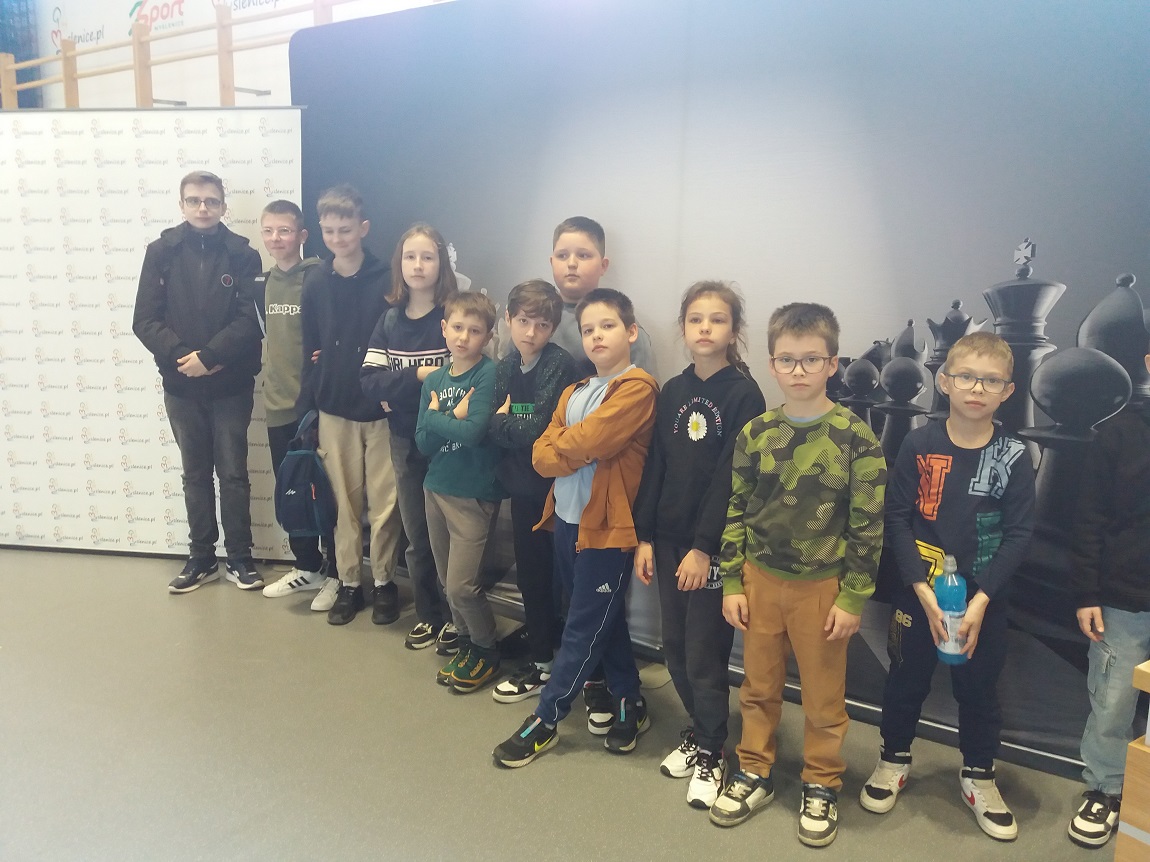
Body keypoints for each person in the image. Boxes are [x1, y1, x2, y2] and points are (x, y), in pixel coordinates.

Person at [710, 302, 886, 848]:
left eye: (812, 359)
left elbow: (868, 523)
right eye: (787, 360)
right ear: (772, 365)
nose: (799, 370)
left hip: (822, 588)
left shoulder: (856, 438)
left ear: (832, 364)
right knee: (758, 686)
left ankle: (821, 781)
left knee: (823, 696)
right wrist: (732, 581)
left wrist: (853, 598)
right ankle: (753, 769)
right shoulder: (756, 432)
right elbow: (736, 507)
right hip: (760, 582)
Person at [859, 331, 1034, 842]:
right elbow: (897, 518)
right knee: (905, 680)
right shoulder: (919, 443)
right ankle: (893, 759)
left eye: (991, 381)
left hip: (984, 598)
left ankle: (979, 774)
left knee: (979, 690)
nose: (977, 388)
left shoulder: (1014, 454)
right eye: (966, 377)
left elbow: (1020, 533)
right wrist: (919, 587)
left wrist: (981, 601)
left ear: (1007, 391)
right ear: (944, 381)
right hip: (920, 593)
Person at [492, 288, 658, 767]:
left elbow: (594, 440)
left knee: (583, 626)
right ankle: (629, 697)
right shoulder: (574, 390)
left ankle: (546, 719)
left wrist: (568, 443)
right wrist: (573, 446)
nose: (596, 336)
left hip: (605, 529)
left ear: (630, 332)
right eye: (588, 329)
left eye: (607, 326)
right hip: (564, 521)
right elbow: (542, 456)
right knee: (602, 617)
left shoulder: (637, 388)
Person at [632, 281, 765, 809]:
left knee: (705, 653)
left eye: (717, 319)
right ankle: (700, 730)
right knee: (675, 648)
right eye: (695, 319)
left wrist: (705, 547)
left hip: (709, 548)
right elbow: (657, 465)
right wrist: (645, 536)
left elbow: (733, 478)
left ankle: (713, 750)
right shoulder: (672, 390)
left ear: (734, 330)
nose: (705, 328)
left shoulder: (745, 395)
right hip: (667, 542)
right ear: (683, 328)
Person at [133, 170, 264, 594]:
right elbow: (144, 320)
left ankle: (240, 558)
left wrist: (210, 357)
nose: (203, 208)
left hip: (230, 385)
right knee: (195, 475)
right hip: (181, 386)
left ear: (224, 205)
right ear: (182, 204)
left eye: (211, 201)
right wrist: (183, 358)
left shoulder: (243, 254)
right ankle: (202, 558)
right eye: (194, 200)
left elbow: (251, 320)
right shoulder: (161, 252)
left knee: (233, 475)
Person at [297, 184, 401, 626]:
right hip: (334, 406)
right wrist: (311, 401)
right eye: (329, 231)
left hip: (380, 408)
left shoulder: (387, 278)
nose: (337, 238)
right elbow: (310, 346)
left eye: (345, 229)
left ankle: (385, 582)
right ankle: (349, 583)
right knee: (343, 504)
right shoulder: (316, 280)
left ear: (363, 227)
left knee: (385, 504)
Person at [1065, 349, 1150, 849]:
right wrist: (1087, 591)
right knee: (1113, 703)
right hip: (1123, 600)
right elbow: (1089, 517)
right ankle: (1105, 788)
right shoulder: (1117, 435)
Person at [360, 223, 456, 652]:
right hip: (404, 439)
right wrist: (418, 376)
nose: (418, 266)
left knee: (451, 535)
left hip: (451, 443)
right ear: (399, 264)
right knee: (417, 536)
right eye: (410, 257)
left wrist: (397, 389)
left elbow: (466, 382)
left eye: (428, 257)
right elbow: (369, 382)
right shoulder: (389, 320)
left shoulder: (453, 317)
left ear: (441, 263)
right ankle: (429, 616)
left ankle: (457, 619)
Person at [487, 281, 581, 704]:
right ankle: (542, 658)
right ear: (508, 319)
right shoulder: (507, 363)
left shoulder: (559, 364)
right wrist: (505, 422)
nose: (530, 332)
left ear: (553, 328)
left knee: (558, 579)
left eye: (542, 325)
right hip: (521, 488)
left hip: (556, 491)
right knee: (531, 576)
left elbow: (535, 427)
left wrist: (504, 419)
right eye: (523, 321)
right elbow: (490, 422)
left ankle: (564, 666)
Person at [415, 291, 506, 692]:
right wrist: (452, 414)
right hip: (436, 488)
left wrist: (437, 417)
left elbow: (474, 433)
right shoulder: (435, 380)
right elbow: (422, 443)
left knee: (462, 586)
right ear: (443, 328)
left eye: (474, 330)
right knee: (445, 581)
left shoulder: (488, 374)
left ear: (488, 336)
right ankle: (467, 645)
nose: (463, 337)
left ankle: (486, 649)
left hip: (473, 493)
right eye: (457, 327)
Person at [252, 199, 337, 601]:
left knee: (328, 491)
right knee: (292, 490)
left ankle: (338, 573)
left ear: (302, 235)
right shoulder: (261, 283)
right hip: (277, 405)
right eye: (269, 230)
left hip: (314, 407)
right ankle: (307, 567)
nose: (276, 238)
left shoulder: (318, 277)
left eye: (284, 230)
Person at [498, 217, 656, 381]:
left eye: (583, 255)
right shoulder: (529, 317)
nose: (572, 263)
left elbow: (641, 389)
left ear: (603, 265)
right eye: (562, 255)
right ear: (552, 262)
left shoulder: (622, 326)